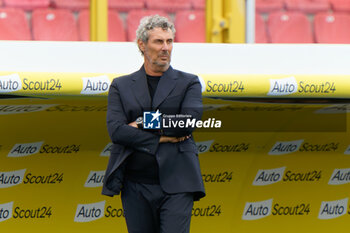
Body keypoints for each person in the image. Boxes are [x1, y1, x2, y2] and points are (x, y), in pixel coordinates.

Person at [102, 15, 205, 233]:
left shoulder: (189, 82)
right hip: (135, 185)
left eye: (169, 41)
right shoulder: (121, 85)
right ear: (142, 44)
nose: (165, 48)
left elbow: (188, 122)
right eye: (159, 42)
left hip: (179, 182)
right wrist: (161, 137)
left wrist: (140, 122)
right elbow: (117, 131)